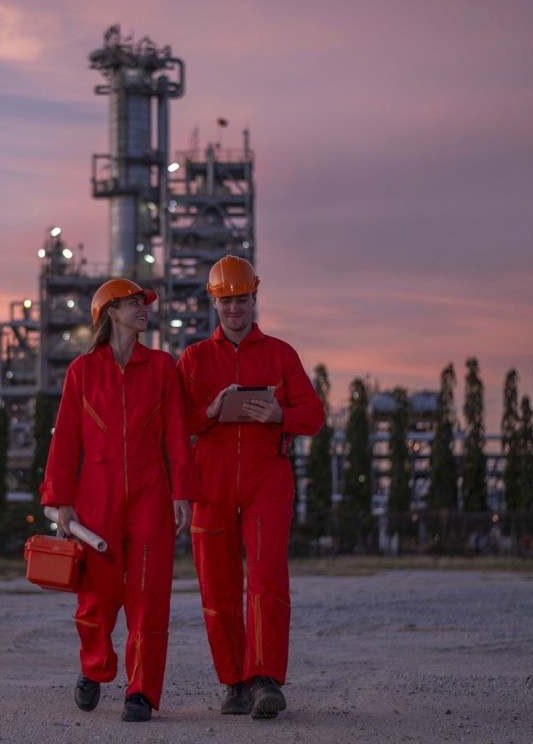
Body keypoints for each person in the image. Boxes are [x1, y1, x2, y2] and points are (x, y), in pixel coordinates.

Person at [39, 277, 196, 723]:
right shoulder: (82, 371)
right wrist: (61, 501)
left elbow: (176, 436)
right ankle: (94, 668)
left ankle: (141, 693)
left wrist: (182, 490)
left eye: (144, 303)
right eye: (133, 303)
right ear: (109, 312)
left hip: (151, 492)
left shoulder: (164, 366)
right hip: (97, 497)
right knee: (96, 599)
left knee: (149, 597)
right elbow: (66, 441)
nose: (144, 308)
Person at [177, 255, 325, 720]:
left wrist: (281, 414)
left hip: (267, 481)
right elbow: (175, 424)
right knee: (217, 586)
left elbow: (315, 415)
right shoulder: (195, 359)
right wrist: (211, 412)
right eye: (226, 300)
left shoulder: (282, 355)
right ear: (213, 301)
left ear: (254, 297)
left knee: (266, 580)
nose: (235, 309)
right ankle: (234, 684)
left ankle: (265, 680)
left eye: (242, 299)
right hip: (211, 483)